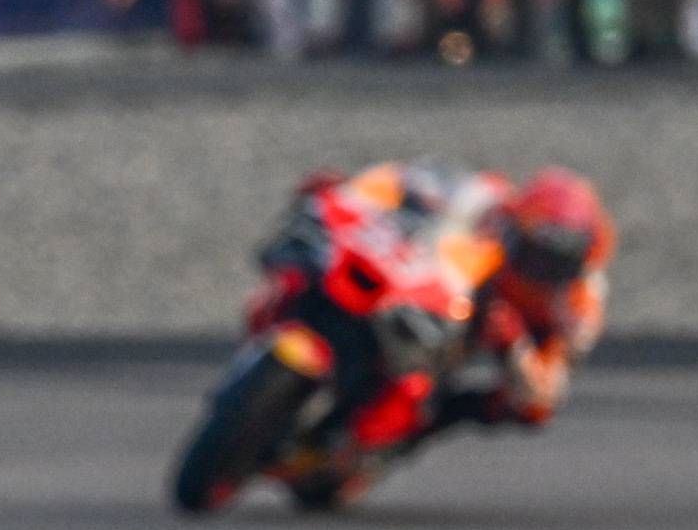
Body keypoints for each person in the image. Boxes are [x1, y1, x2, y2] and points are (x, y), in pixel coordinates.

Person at [256, 161, 617, 494]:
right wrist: (349, 192)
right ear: (515, 226)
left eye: (557, 264)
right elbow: (398, 181)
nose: (540, 270)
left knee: (494, 408)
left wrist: (513, 343)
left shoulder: (579, 305)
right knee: (312, 255)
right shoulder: (485, 199)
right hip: (420, 289)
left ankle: (370, 448)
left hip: (468, 337)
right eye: (533, 252)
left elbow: (543, 394)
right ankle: (278, 325)